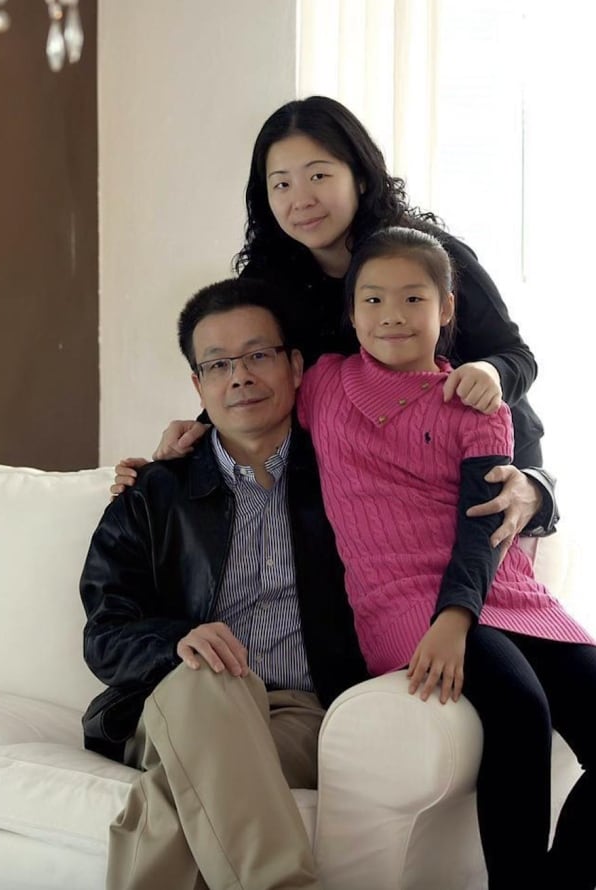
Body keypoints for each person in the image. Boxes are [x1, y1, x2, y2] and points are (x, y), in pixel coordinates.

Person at [114, 96, 555, 549]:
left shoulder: (427, 256)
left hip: (489, 471)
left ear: (360, 176)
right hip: (376, 480)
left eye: (319, 175)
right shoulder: (270, 282)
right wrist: (193, 438)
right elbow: (257, 371)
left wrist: (492, 380)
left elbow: (515, 356)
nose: (301, 199)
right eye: (281, 184)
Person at [297, 225, 596, 890]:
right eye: (372, 301)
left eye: (412, 299)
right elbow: (246, 403)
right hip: (401, 598)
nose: (391, 317)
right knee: (520, 710)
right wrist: (185, 435)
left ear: (448, 308)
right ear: (350, 312)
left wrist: (460, 614)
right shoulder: (323, 385)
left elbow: (481, 526)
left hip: (496, 587)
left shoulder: (476, 400)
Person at [80, 278, 369, 890]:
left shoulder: (349, 477)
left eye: (258, 355)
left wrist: (534, 489)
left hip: (300, 712)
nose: (239, 377)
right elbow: (104, 635)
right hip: (168, 703)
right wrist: (178, 641)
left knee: (170, 797)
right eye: (218, 364)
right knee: (210, 675)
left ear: (294, 367)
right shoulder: (152, 494)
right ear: (198, 386)